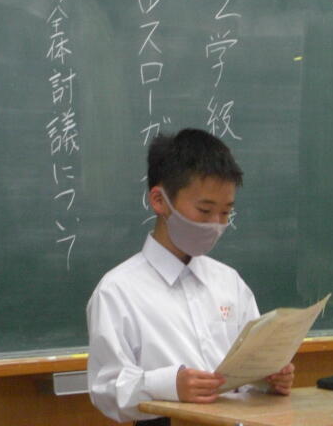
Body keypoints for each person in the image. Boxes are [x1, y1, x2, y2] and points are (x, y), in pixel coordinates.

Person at [86, 128, 294, 424]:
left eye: (226, 213)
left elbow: (252, 366)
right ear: (159, 200)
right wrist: (169, 386)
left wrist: (270, 378)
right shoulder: (118, 290)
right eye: (205, 210)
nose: (215, 224)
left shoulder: (230, 282)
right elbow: (106, 390)